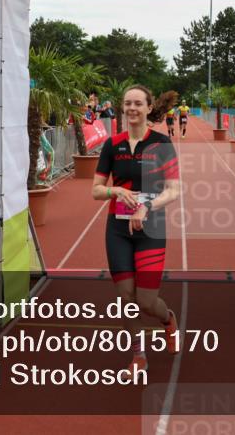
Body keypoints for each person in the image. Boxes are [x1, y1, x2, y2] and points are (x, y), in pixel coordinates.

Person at [92, 84, 181, 377]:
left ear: (148, 106)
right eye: (127, 103)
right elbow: (96, 190)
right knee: (124, 299)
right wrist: (114, 190)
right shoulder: (112, 144)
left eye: (137, 103)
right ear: (122, 107)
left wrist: (148, 207)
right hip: (117, 230)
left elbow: (174, 190)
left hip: (151, 228)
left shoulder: (162, 144)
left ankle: (167, 319)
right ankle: (138, 355)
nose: (132, 108)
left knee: (145, 301)